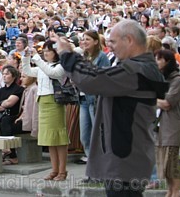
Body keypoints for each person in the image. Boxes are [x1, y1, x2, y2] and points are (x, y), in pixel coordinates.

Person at [57, 19, 168, 196]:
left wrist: (67, 55)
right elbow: (97, 77)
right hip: (128, 154)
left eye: (113, 42)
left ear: (129, 40)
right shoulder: (141, 68)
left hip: (125, 156)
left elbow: (93, 80)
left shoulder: (136, 70)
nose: (110, 46)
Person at [23, 40, 69, 181]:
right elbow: (28, 71)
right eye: (45, 50)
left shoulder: (60, 66)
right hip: (42, 101)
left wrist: (36, 58)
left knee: (58, 138)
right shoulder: (43, 65)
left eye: (48, 50)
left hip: (54, 102)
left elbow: (52, 73)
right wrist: (26, 57)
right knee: (49, 139)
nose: (45, 53)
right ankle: (54, 170)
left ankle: (62, 170)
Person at [77, 30, 110, 167]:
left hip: (95, 100)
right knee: (84, 136)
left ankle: (101, 166)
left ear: (96, 42)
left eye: (87, 39)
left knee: (98, 134)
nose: (84, 42)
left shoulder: (102, 57)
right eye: (83, 39)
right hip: (83, 99)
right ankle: (92, 165)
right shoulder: (83, 57)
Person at [154, 49, 180, 197]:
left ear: (167, 61)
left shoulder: (177, 80)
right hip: (160, 127)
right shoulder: (161, 79)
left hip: (171, 126)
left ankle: (175, 192)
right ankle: (170, 191)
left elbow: (167, 103)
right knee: (163, 163)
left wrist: (151, 99)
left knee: (171, 163)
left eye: (159, 59)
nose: (156, 62)